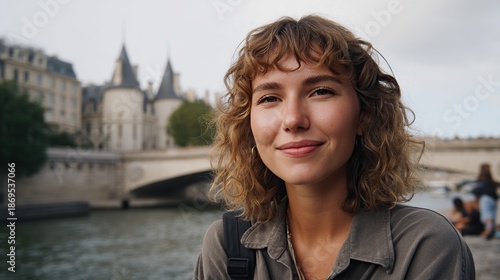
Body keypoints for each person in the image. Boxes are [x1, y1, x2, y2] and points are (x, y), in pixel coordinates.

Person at [194, 15, 475, 279]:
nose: (293, 119)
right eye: (269, 98)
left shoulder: (425, 246)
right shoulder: (226, 246)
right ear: (248, 123)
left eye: (321, 92)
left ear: (365, 115)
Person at [472, 163, 498, 239]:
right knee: (492, 215)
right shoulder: (491, 180)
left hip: (485, 198)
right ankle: (491, 231)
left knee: (487, 216)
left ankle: (488, 231)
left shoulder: (481, 180)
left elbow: (475, 191)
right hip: (493, 199)